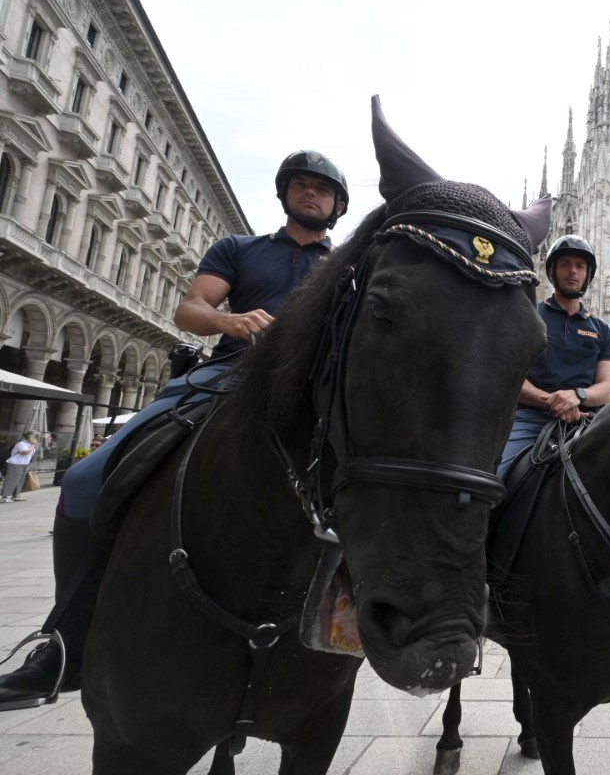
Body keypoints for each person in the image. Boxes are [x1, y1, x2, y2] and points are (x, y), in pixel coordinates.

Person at [0, 150, 349, 709]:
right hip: (226, 377)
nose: (311, 194)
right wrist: (229, 320)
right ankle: (67, 643)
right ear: (285, 193)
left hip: (321, 395)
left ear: (337, 205)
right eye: (302, 185)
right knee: (89, 479)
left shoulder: (347, 266)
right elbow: (191, 309)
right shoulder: (239, 249)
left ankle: (358, 629)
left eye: (322, 190)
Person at [497, 235, 610, 480]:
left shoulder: (600, 328)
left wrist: (577, 396)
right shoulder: (529, 316)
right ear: (551, 272)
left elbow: (605, 387)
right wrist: (553, 401)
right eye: (565, 264)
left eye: (580, 266)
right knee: (498, 480)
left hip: (588, 422)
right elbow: (510, 377)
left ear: (587, 274)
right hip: (531, 419)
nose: (573, 271)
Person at [1, 433, 38, 502]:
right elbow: (25, 452)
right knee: (11, 480)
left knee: (20, 481)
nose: (36, 439)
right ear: (30, 437)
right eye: (35, 437)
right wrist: (33, 445)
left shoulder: (29, 445)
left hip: (23, 464)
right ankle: (5, 497)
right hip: (15, 464)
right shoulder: (21, 444)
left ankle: (16, 495)